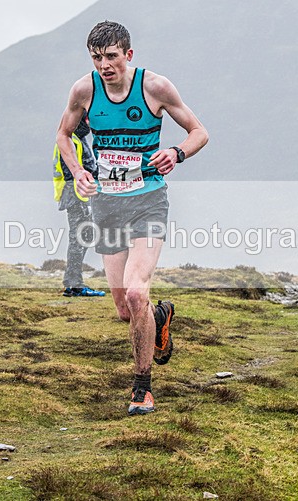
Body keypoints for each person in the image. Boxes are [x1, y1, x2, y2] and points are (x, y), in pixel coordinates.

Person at [55, 21, 208, 415]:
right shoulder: (84, 90)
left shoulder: (155, 87)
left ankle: (142, 388)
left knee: (137, 290)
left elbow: (198, 131)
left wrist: (176, 153)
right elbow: (63, 134)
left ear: (129, 55)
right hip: (107, 206)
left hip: (148, 202)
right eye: (96, 58)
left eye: (111, 56)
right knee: (126, 308)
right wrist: (78, 171)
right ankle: (160, 318)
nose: (104, 65)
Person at [53, 111, 106, 297]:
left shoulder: (76, 138)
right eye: (88, 120)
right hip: (77, 197)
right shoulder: (71, 140)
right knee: (79, 238)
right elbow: (73, 172)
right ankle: (74, 284)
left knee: (85, 236)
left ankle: (74, 282)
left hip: (78, 196)